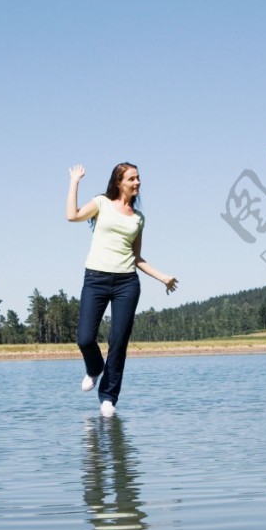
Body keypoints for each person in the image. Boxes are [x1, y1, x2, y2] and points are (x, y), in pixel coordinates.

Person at [66, 162, 178, 417]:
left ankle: (108, 397)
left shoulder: (139, 219)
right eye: (132, 179)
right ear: (119, 182)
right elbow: (72, 216)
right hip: (95, 279)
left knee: (118, 342)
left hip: (127, 283)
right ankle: (94, 367)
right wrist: (75, 181)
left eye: (138, 178)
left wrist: (164, 278)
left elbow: (136, 257)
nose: (137, 182)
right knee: (84, 338)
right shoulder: (101, 203)